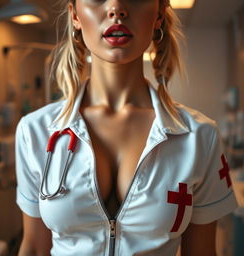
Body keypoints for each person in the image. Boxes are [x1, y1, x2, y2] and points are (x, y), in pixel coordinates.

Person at [15, 0, 238, 255]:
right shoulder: (34, 131)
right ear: (75, 15)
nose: (117, 9)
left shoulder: (199, 137)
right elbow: (33, 247)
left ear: (159, 16)